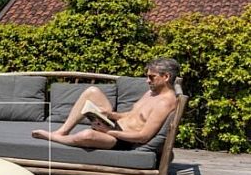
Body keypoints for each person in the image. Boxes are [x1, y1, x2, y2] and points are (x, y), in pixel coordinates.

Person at [32, 58, 179, 149]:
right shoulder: (151, 93)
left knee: (87, 135)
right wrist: (110, 115)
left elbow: (143, 137)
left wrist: (108, 132)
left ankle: (54, 137)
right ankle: (62, 131)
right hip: (114, 126)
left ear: (166, 77)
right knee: (92, 91)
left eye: (151, 77)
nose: (147, 81)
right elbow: (131, 115)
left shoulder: (165, 103)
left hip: (121, 140)